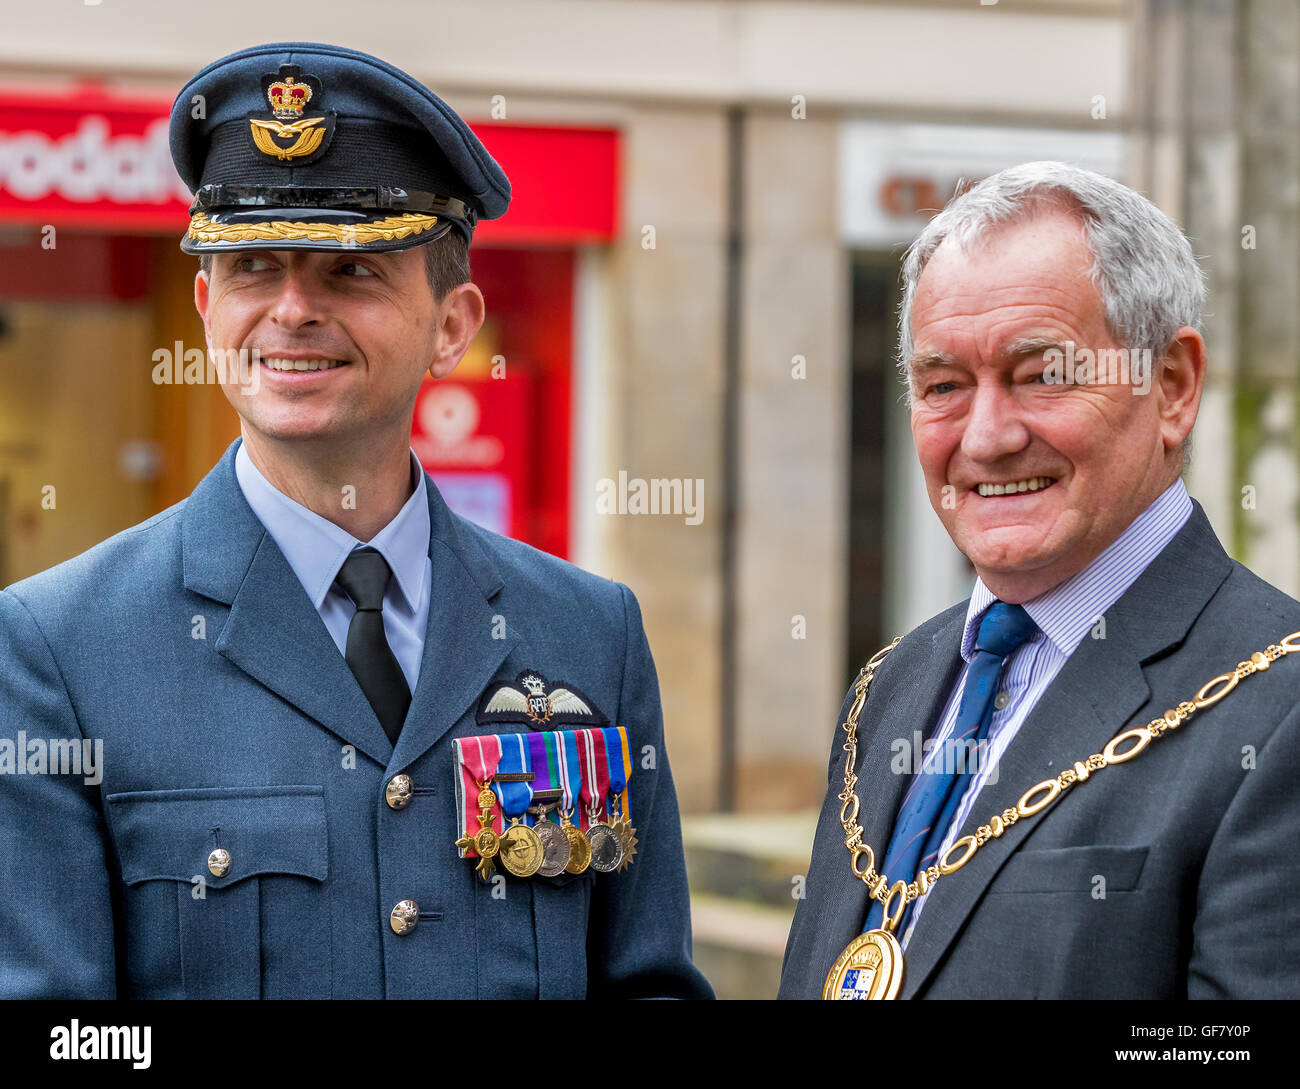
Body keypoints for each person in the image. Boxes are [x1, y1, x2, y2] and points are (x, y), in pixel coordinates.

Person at [0, 41, 711, 1000]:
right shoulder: (60, 648)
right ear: (208, 307)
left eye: (350, 272)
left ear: (453, 325)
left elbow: (647, 986)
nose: (292, 310)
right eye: (253, 267)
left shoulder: (590, 631)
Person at [779, 161, 1300, 1000]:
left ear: (1171, 387)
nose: (985, 437)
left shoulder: (1279, 705)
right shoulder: (891, 686)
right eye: (944, 385)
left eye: (1043, 373)